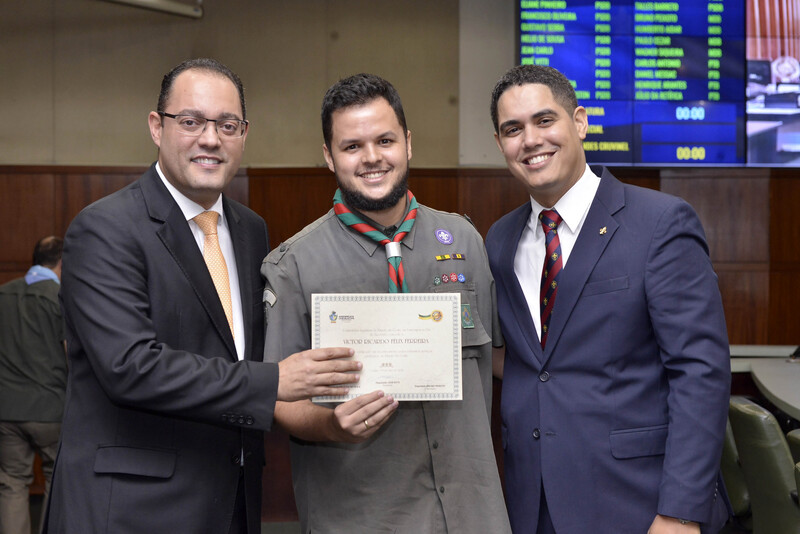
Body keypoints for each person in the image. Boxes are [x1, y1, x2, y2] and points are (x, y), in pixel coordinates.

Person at [43, 58, 360, 534]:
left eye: (227, 125)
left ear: (244, 134)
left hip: (231, 500)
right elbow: (130, 367)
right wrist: (273, 380)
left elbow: (245, 352)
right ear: (157, 127)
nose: (211, 139)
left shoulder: (251, 230)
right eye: (191, 122)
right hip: (132, 510)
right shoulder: (105, 228)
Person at [261, 73, 511, 533]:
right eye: (352, 146)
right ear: (328, 156)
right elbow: (278, 399)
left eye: (385, 140)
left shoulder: (464, 240)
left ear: (408, 143)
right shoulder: (292, 266)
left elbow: (499, 359)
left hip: (472, 510)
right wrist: (331, 425)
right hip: (362, 515)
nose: (372, 157)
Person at [486, 65, 731, 534]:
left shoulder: (660, 223)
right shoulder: (500, 240)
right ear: (500, 144)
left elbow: (700, 371)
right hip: (531, 504)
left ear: (579, 122)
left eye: (544, 120)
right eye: (513, 129)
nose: (530, 140)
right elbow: (528, 360)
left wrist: (680, 511)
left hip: (638, 504)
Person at [0, 236, 66, 534]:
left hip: (6, 411)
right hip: (50, 409)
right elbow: (72, 355)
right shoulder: (61, 297)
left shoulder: (3, 294)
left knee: (11, 483)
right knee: (56, 480)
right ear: (62, 262)